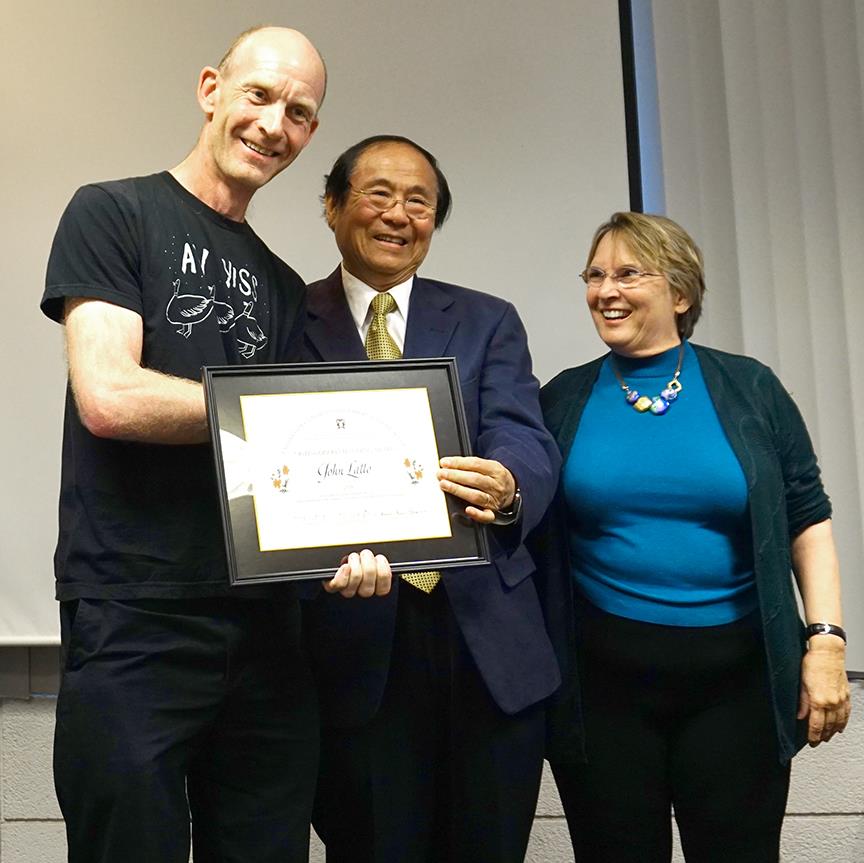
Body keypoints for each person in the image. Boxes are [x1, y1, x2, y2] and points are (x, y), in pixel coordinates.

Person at [41, 26, 389, 863]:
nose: (276, 125)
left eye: (300, 113)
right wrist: (276, 416)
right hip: (137, 615)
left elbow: (286, 472)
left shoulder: (276, 279)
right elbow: (110, 395)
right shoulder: (113, 211)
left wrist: (355, 540)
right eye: (260, 96)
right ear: (210, 90)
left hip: (267, 628)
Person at [533, 211, 851, 863]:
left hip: (736, 685)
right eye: (594, 274)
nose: (605, 289)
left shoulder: (751, 387)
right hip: (602, 692)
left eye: (627, 273)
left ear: (680, 293)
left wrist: (825, 643)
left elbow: (807, 517)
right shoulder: (561, 399)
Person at [302, 134, 562, 863]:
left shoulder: (487, 319)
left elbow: (527, 436)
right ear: (331, 204)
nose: (398, 214)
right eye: (378, 193)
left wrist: (508, 484)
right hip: (352, 638)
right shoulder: (287, 319)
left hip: (484, 633)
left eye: (419, 201)